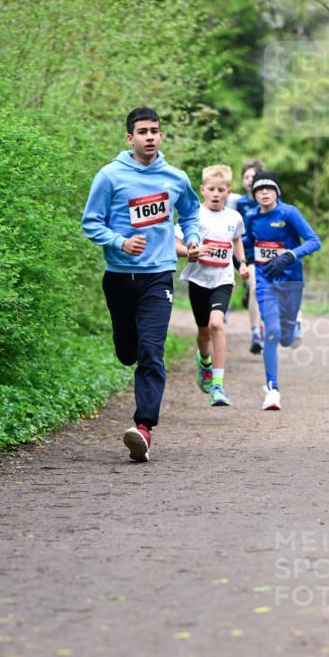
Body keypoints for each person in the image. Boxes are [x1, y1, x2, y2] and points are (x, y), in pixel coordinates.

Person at [82, 107, 201, 462]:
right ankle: (126, 346)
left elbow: (190, 212)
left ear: (161, 136)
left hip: (158, 276)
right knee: (128, 351)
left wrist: (192, 237)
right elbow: (91, 223)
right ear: (130, 138)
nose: (150, 137)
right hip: (119, 277)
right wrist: (120, 242)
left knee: (151, 350)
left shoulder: (175, 178)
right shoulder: (110, 176)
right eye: (142, 131)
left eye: (154, 131)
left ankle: (144, 427)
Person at [246, 170, 321, 410]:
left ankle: (296, 323)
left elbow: (314, 241)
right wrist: (237, 257)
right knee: (272, 332)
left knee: (287, 339)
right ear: (254, 194)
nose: (264, 193)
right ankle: (272, 389)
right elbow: (247, 244)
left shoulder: (289, 213)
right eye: (259, 189)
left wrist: (289, 255)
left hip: (291, 283)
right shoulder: (251, 216)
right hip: (265, 281)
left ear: (277, 191)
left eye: (269, 188)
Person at [176, 164, 249, 407]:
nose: (216, 194)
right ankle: (204, 360)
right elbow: (175, 242)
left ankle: (218, 385)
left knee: (217, 323)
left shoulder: (234, 217)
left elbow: (236, 241)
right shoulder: (193, 215)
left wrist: (242, 263)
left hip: (223, 279)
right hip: (198, 279)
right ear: (202, 190)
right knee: (203, 331)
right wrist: (189, 252)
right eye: (211, 189)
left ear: (228, 191)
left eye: (221, 190)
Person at [227, 159, 266, 354]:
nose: (250, 180)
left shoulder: (269, 201)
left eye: (254, 176)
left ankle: (262, 327)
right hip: (244, 255)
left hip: (267, 255)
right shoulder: (238, 202)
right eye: (246, 177)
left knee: (259, 290)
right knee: (254, 286)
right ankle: (256, 333)